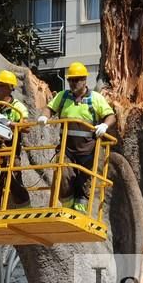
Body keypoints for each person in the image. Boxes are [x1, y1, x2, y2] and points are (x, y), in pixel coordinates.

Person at [37, 62, 115, 213]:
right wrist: (44, 117)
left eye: (77, 80)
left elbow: (110, 116)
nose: (73, 83)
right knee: (62, 172)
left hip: (88, 151)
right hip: (67, 148)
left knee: (84, 182)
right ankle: (67, 207)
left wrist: (105, 125)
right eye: (71, 80)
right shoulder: (63, 96)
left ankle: (80, 209)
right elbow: (49, 108)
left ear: (85, 80)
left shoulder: (95, 98)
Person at [0, 70, 31, 208]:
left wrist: (8, 123)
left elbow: (26, 127)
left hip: (11, 150)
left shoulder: (17, 107)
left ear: (8, 88)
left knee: (13, 178)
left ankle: (25, 206)